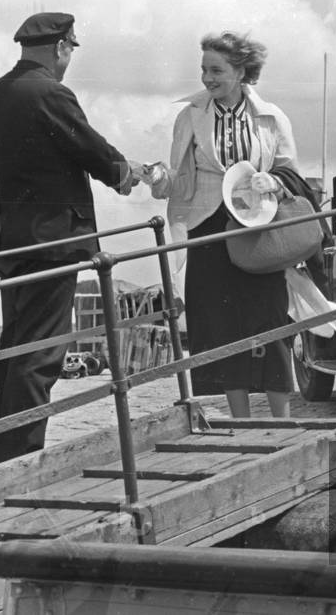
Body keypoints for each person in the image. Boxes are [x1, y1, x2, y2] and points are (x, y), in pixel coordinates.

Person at [0, 12, 138, 463]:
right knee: (43, 350)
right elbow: (89, 147)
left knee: (16, 345)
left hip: (17, 245)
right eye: (70, 48)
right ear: (62, 46)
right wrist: (129, 174)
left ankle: (3, 448)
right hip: (56, 243)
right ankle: (22, 456)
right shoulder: (51, 92)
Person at [141, 31, 297, 418]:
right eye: (203, 70)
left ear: (242, 71)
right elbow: (177, 180)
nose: (207, 78)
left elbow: (293, 174)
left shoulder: (272, 117)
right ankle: (241, 419)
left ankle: (282, 419)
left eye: (217, 70)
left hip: (258, 226)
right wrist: (156, 177)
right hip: (208, 228)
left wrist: (273, 181)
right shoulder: (190, 116)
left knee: (270, 316)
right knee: (222, 323)